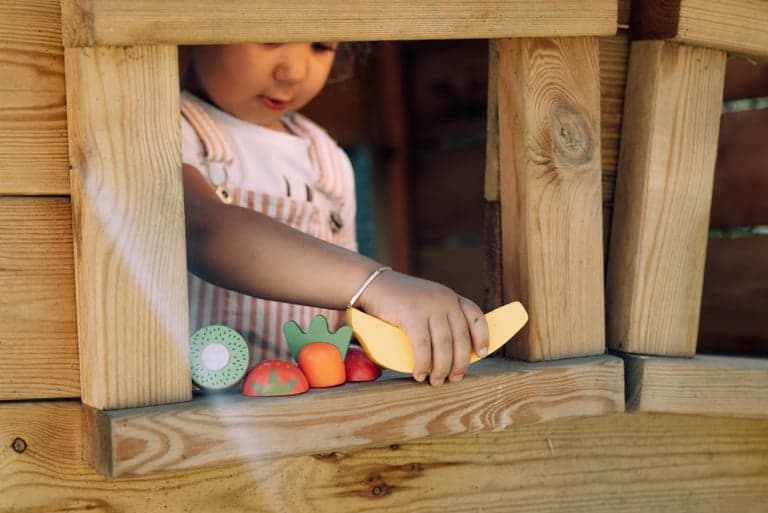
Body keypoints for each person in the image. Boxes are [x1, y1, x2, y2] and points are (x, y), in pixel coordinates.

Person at [181, 42, 488, 386]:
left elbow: (344, 313)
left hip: (316, 406)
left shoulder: (327, 157)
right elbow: (202, 229)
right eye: (269, 38)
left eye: (320, 46)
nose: (294, 71)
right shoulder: (170, 129)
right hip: (212, 416)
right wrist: (377, 284)